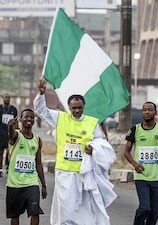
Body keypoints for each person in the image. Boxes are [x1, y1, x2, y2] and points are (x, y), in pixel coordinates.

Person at [34, 79, 116, 225]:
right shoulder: (60, 118)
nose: (76, 111)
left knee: (84, 209)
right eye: (73, 108)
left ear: (84, 106)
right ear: (69, 107)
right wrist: (41, 94)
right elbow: (41, 110)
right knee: (67, 210)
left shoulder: (92, 122)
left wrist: (93, 149)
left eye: (79, 108)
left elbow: (101, 143)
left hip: (84, 173)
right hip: (65, 172)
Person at [123, 102, 158, 225]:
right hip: (141, 175)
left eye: (150, 110)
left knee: (154, 213)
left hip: (157, 176)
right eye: (144, 110)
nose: (147, 112)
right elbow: (126, 152)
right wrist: (135, 164)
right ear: (142, 112)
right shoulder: (135, 129)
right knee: (145, 208)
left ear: (155, 112)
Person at [6, 109, 47, 225]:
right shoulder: (16, 136)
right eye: (26, 117)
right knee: (15, 216)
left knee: (35, 212)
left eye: (31, 117)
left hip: (31, 183)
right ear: (21, 119)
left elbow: (38, 163)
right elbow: (11, 134)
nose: (29, 119)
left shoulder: (37, 139)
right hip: (14, 183)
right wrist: (10, 127)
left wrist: (43, 185)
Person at [0, 93, 18, 177]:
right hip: (1, 132)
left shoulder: (14, 109)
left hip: (10, 133)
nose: (7, 99)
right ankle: (0, 168)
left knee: (9, 150)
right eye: (5, 97)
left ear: (10, 99)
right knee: (1, 151)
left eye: (8, 97)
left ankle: (8, 166)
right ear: (2, 98)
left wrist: (17, 131)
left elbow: (16, 121)